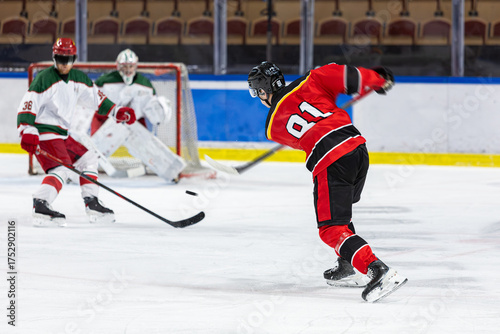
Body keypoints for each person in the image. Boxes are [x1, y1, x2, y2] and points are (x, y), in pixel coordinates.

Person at [247, 61, 407, 302]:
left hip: (331, 161)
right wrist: (377, 78)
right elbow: (348, 76)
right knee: (341, 217)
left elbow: (306, 134)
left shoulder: (272, 128)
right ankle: (346, 266)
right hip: (357, 148)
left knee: (330, 229)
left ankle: (377, 269)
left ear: (261, 91)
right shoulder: (312, 80)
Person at [17, 38, 137, 227]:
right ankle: (40, 204)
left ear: (74, 58)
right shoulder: (44, 78)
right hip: (45, 132)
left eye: (68, 59)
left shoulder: (79, 79)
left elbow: (97, 99)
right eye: (60, 59)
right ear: (54, 57)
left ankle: (92, 202)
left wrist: (116, 112)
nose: (64, 64)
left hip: (63, 134)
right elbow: (27, 106)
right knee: (61, 169)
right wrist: (27, 130)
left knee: (88, 158)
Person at [90, 48, 171, 135]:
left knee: (143, 145)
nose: (128, 69)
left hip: (134, 120)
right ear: (119, 66)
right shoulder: (104, 81)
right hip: (105, 118)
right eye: (125, 66)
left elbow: (151, 107)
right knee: (96, 145)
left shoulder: (146, 85)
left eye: (130, 66)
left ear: (135, 66)